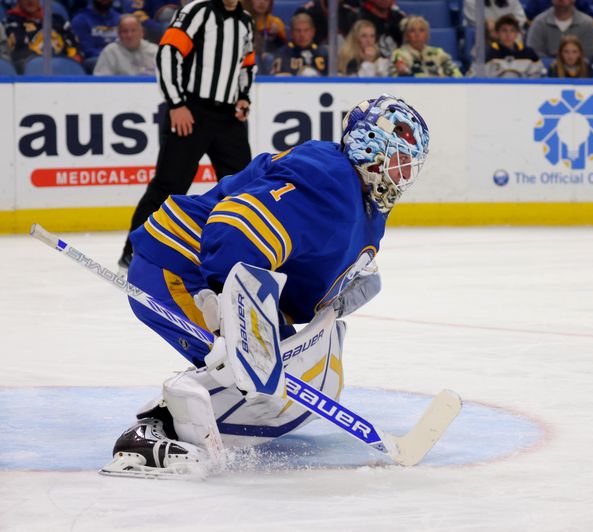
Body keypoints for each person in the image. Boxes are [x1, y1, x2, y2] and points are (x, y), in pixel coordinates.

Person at [100, 94, 431, 478]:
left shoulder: (368, 206)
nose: (402, 174)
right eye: (397, 160)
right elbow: (235, 224)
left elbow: (305, 267)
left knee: (279, 387)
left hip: (222, 274)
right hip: (182, 267)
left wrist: (337, 295)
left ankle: (203, 405)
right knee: (240, 370)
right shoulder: (328, 178)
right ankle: (152, 429)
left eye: (409, 166)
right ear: (369, 147)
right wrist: (226, 302)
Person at [118, 0, 256, 269]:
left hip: (228, 117)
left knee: (243, 188)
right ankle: (135, 249)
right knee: (169, 184)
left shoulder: (246, 21)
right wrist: (177, 104)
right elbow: (168, 52)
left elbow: (247, 64)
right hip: (191, 111)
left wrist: (243, 98)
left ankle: (241, 251)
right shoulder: (197, 11)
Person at [3, 0, 82, 72]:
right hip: (36, 72)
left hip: (64, 67)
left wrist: (74, 57)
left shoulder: (57, 20)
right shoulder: (12, 23)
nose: (30, 1)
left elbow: (75, 46)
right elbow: (20, 53)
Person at [389, 15, 462, 77]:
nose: (417, 34)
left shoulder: (438, 53)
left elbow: (456, 74)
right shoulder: (399, 54)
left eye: (421, 30)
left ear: (427, 35)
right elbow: (395, 78)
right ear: (406, 36)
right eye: (412, 31)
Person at [525, 0, 593, 61]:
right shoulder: (538, 22)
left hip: (578, 74)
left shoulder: (587, 24)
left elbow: (588, 54)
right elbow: (533, 53)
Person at [480, 14, 544, 78]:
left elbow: (539, 75)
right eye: (504, 30)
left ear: (517, 33)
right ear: (497, 33)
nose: (508, 35)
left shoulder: (528, 53)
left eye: (512, 30)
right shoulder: (489, 52)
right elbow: (476, 76)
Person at [93, 14, 157, 74]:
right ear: (118, 34)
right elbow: (101, 81)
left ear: (142, 32)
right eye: (125, 31)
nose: (129, 35)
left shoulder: (155, 51)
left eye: (133, 30)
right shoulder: (110, 52)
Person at [71, 0, 121, 72]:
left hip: (118, 57)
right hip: (94, 59)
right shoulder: (80, 20)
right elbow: (87, 50)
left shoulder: (119, 18)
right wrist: (110, 55)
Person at [242, 0, 286, 72]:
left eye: (266, 0)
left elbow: (284, 49)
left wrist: (276, 35)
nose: (262, 2)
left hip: (269, 64)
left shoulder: (276, 23)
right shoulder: (242, 21)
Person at [462, 0, 527, 40]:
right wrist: (487, 25)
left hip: (512, 38)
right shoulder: (470, 1)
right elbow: (474, 22)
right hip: (484, 39)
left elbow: (521, 18)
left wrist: (506, 26)